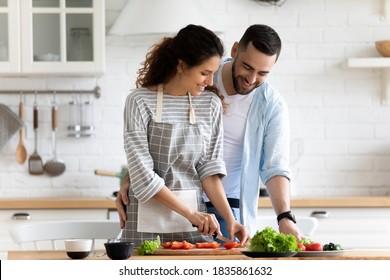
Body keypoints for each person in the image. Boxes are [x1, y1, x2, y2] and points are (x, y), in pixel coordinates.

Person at [117, 24, 303, 241]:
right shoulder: (145, 98)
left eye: (262, 73)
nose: (252, 79)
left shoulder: (222, 102)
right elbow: (148, 161)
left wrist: (280, 216)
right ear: (234, 52)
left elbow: (268, 167)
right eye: (247, 67)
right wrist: (134, 177)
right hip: (161, 208)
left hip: (213, 209)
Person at [120, 24, 250, 247]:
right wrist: (191, 214)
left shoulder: (210, 105)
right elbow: (142, 177)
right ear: (181, 65)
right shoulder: (139, 102)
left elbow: (209, 171)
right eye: (204, 73)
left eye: (213, 73)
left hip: (192, 229)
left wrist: (231, 219)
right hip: (144, 229)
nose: (210, 82)